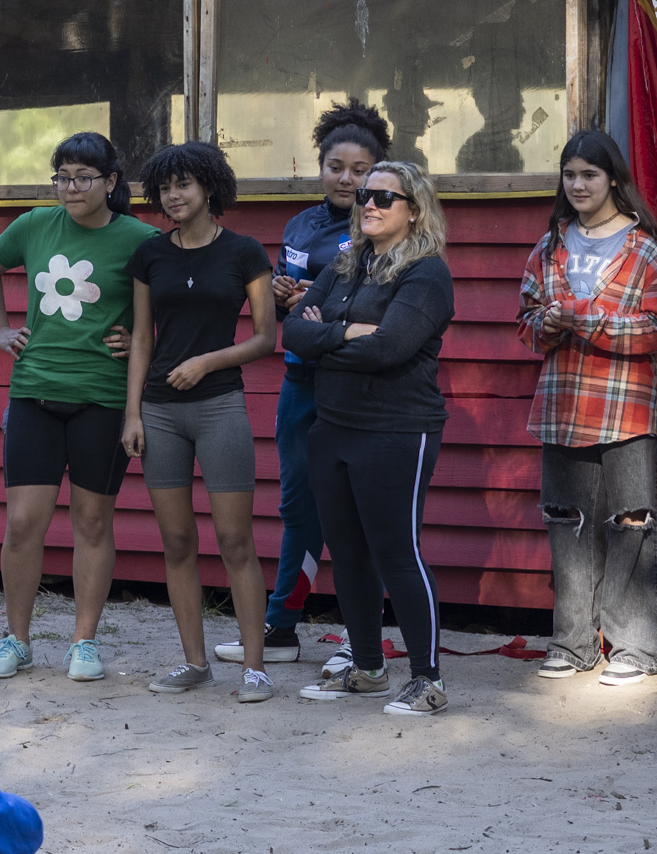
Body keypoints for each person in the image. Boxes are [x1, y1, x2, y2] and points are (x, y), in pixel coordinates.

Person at [0, 132, 158, 682]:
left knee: (92, 522)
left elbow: (173, 305)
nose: (71, 188)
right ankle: (17, 639)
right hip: (33, 392)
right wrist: (2, 329)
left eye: (83, 177)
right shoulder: (33, 225)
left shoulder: (140, 239)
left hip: (102, 398)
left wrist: (144, 340)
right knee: (23, 523)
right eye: (62, 177)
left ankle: (83, 641)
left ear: (111, 182)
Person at [285, 161, 459, 716]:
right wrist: (346, 331)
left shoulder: (426, 273)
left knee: (396, 551)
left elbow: (391, 348)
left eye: (385, 196)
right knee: (349, 553)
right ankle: (366, 668)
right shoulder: (349, 262)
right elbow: (292, 331)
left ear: (414, 208)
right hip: (333, 426)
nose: (370, 204)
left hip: (396, 432)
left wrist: (324, 335)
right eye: (364, 195)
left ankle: (428, 681)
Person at [224, 102, 388, 666]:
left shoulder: (382, 225)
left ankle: (357, 637)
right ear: (318, 167)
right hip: (300, 382)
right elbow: (277, 299)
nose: (347, 179)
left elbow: (377, 307)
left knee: (358, 509)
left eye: (361, 169)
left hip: (355, 386)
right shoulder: (300, 224)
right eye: (335, 166)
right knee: (299, 506)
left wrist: (313, 301)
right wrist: (280, 296)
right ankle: (281, 627)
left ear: (379, 173)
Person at [518, 131, 657, 686]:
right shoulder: (550, 246)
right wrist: (545, 323)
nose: (578, 184)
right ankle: (573, 642)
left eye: (589, 174)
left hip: (628, 408)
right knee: (567, 523)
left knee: (634, 522)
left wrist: (587, 320)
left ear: (613, 178)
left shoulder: (643, 250)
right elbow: (526, 321)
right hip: (563, 404)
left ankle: (636, 646)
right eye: (569, 175)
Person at [123, 141, 279, 699]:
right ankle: (194, 662)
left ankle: (255, 667)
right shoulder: (150, 254)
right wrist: (132, 412)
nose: (174, 195)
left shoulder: (243, 252)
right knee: (176, 542)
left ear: (209, 188)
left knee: (236, 540)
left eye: (184, 184)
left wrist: (208, 360)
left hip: (219, 407)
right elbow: (142, 336)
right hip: (160, 412)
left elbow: (266, 337)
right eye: (165, 187)